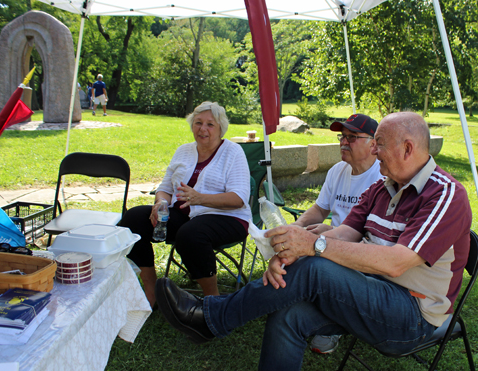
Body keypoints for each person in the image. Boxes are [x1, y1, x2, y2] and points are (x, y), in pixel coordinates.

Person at [155, 112, 472, 371]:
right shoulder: (382, 187)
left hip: (412, 316)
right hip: (368, 291)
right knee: (287, 314)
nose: (375, 152)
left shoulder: (445, 194)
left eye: (380, 145)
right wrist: (293, 252)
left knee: (315, 269)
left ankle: (210, 318)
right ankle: (210, 318)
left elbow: (396, 263)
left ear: (407, 148)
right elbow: (344, 231)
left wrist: (313, 247)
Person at [119, 101, 251, 308]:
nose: (203, 129)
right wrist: (161, 203)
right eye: (198, 123)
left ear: (220, 128)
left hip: (228, 217)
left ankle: (213, 301)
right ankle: (151, 291)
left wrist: (200, 198)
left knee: (191, 235)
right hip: (184, 215)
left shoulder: (233, 152)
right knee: (133, 219)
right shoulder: (183, 151)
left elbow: (239, 198)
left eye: (210, 124)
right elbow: (165, 188)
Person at [293, 113, 383, 354]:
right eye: (342, 137)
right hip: (330, 242)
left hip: (361, 253)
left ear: (373, 143)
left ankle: (331, 324)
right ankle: (297, 311)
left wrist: (329, 232)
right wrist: (296, 227)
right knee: (291, 250)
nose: (343, 142)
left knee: (307, 263)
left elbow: (377, 238)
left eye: (352, 137)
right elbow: (320, 208)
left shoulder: (383, 178)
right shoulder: (337, 170)